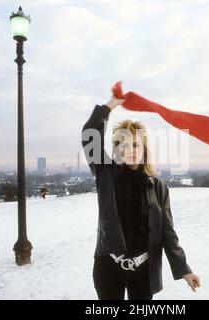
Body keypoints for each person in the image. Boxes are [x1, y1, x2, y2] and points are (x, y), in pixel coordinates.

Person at [81, 93, 200, 300]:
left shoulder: (158, 187)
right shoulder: (106, 173)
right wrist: (111, 104)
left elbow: (167, 233)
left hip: (145, 270)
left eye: (135, 145)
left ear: (143, 148)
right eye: (123, 145)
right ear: (117, 150)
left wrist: (184, 269)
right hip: (108, 266)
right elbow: (90, 134)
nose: (130, 150)